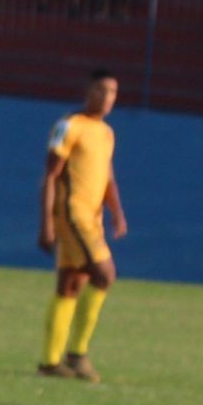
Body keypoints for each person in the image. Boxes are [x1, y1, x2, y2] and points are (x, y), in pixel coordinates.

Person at [38, 69, 125, 382]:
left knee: (70, 284)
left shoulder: (105, 132)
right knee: (105, 274)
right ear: (88, 91)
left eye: (113, 92)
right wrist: (46, 223)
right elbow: (50, 175)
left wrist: (116, 211)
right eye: (101, 90)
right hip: (72, 214)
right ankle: (77, 354)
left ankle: (50, 362)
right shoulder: (68, 126)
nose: (107, 97)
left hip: (93, 217)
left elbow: (107, 176)